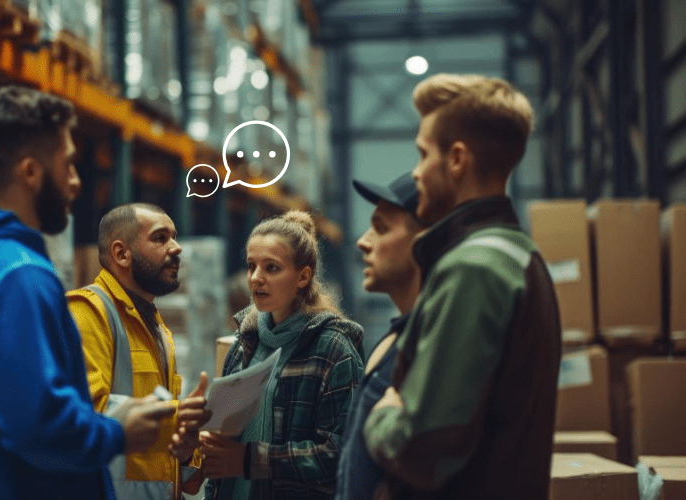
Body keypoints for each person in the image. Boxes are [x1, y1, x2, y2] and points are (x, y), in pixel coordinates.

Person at [0, 86, 176, 499]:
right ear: (30, 172)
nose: (76, 182)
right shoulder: (19, 277)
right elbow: (36, 426)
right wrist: (117, 431)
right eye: (69, 164)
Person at [363, 74, 562, 499]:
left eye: (422, 154)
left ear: (456, 159)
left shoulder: (474, 270)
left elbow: (421, 448)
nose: (415, 172)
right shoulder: (517, 254)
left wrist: (382, 416)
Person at [200, 210, 365, 500]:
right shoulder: (243, 344)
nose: (255, 279)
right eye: (252, 266)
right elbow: (225, 440)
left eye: (271, 268)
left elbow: (342, 453)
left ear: (303, 277)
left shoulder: (332, 349)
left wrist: (249, 460)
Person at [66, 203, 211, 500]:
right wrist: (178, 417)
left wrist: (187, 450)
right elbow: (84, 417)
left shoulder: (159, 330)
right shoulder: (88, 312)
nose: (177, 248)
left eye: (174, 237)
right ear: (121, 254)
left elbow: (172, 460)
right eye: (161, 238)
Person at [334, 172, 424, 500]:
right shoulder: (398, 337)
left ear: (425, 241)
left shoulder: (432, 348)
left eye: (381, 227)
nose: (363, 240)